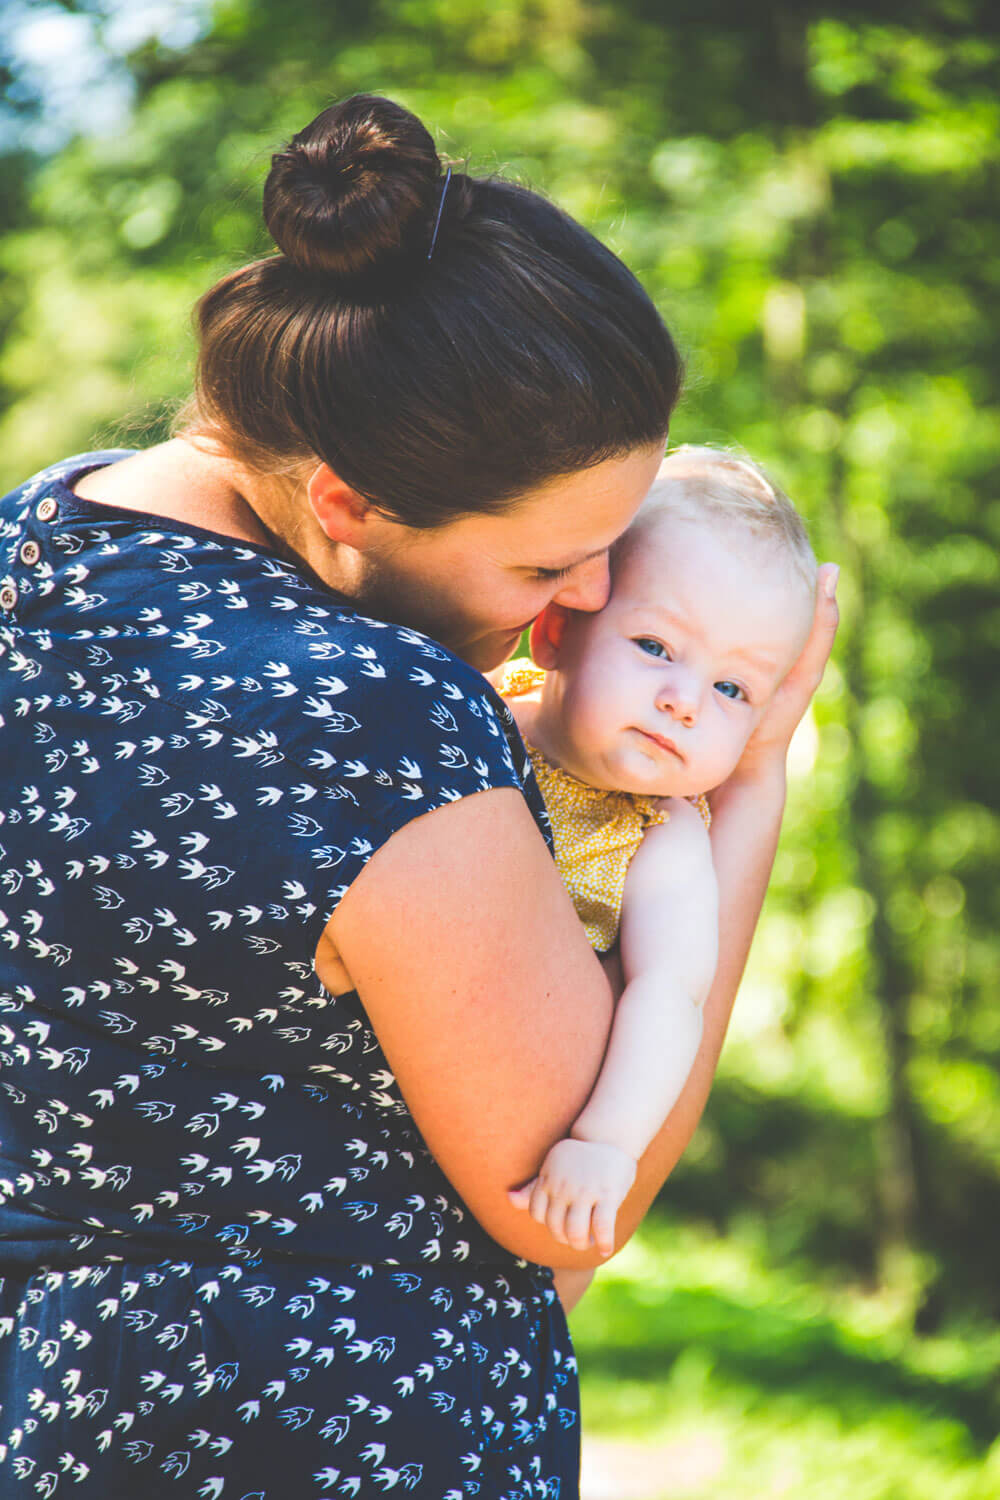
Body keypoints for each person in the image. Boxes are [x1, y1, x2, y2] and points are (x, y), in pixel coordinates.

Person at [0, 94, 837, 1499]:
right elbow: (573, 1200)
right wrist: (741, 781)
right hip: (333, 1440)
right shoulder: (371, 712)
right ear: (344, 502)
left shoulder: (36, 543)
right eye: (542, 569)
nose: (584, 601)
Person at [494, 448, 824, 1298]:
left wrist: (605, 1143)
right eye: (655, 645)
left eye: (732, 689)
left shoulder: (660, 835)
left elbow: (671, 994)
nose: (686, 700)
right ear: (558, 630)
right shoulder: (478, 708)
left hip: (500, 1131)